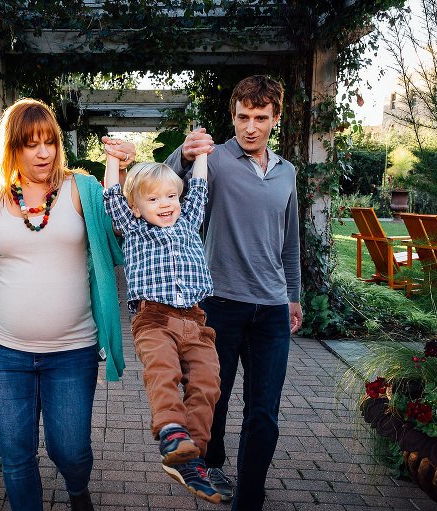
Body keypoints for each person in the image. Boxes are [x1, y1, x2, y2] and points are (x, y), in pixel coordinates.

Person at [0, 98, 135, 511]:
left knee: (69, 450)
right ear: (13, 148)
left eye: (49, 142)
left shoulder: (82, 190)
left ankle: (77, 489)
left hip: (72, 351)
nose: (43, 152)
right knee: (16, 458)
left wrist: (122, 172)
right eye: (31, 143)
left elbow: (119, 230)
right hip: (6, 352)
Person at [165, 75, 303, 510]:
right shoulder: (217, 160)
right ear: (233, 116)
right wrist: (184, 156)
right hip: (220, 304)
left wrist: (294, 294)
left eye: (260, 118)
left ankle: (250, 497)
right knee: (214, 399)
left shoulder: (287, 172)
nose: (250, 127)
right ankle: (213, 461)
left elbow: (290, 240)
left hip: (273, 310)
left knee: (263, 412)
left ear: (275, 119)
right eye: (243, 117)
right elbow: (163, 184)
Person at [102, 151, 222, 504]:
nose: (165, 204)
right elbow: (112, 193)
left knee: (208, 381)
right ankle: (171, 430)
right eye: (153, 199)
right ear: (136, 207)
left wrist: (201, 155)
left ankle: (190, 454)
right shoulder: (134, 227)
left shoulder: (189, 221)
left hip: (195, 320)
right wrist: (111, 160)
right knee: (163, 370)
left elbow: (198, 187)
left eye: (171, 196)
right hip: (153, 318)